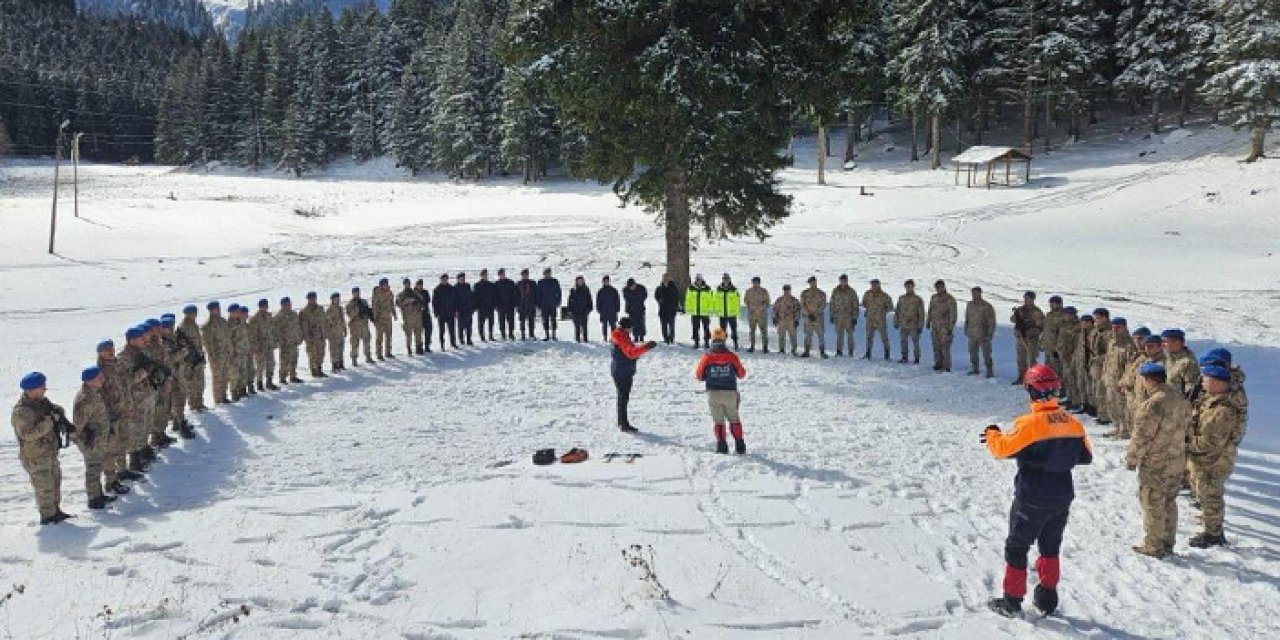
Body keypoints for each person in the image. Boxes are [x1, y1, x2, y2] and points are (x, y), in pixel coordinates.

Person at [982, 365, 1092, 617]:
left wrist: (991, 434)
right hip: (1061, 496)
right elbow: (1086, 457)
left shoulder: (1029, 423)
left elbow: (1002, 450)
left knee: (1017, 547)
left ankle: (1011, 601)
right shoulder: (1072, 423)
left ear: (1030, 390)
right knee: (1050, 547)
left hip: (1031, 496)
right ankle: (1047, 598)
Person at [1126, 362, 1191, 558]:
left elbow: (1142, 436)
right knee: (1169, 501)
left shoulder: (1153, 404)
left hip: (1156, 461)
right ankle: (1167, 542)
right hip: (1176, 459)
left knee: (1152, 502)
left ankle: (1153, 546)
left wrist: (1132, 458)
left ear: (1149, 380)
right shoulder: (1180, 399)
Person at [1186, 364, 1244, 548]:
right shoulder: (1210, 400)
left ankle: (1213, 534)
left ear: (1218, 383)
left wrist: (1185, 444)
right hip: (1204, 458)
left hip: (1215, 460)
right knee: (1204, 493)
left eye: (1206, 379)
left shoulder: (1223, 410)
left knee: (1211, 495)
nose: (1202, 382)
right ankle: (1210, 526)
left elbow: (1210, 443)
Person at [12, 372, 73, 524]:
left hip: (49, 452)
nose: (45, 390)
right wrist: (49, 422)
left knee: (55, 483)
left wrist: (58, 412)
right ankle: (48, 518)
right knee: (44, 488)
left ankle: (56, 511)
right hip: (35, 456)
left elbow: (54, 410)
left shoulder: (41, 402)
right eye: (42, 387)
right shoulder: (22, 411)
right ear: (31, 390)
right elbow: (28, 434)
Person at [694, 327, 748, 454]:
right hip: (730, 393)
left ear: (712, 340)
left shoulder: (706, 357)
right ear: (724, 339)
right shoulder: (731, 357)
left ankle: (722, 446)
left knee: (718, 421)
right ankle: (740, 445)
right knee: (734, 419)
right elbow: (741, 374)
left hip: (713, 393)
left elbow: (698, 376)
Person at [96, 339, 140, 489]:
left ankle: (122, 470)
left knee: (123, 442)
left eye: (111, 349)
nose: (110, 352)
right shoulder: (99, 371)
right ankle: (111, 480)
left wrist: (130, 407)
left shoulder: (118, 365)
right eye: (106, 350)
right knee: (111, 449)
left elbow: (127, 385)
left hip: (124, 410)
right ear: (100, 353)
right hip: (111, 414)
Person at [72, 366, 117, 510]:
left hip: (99, 440)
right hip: (91, 443)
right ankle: (93, 498)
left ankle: (99, 494)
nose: (102, 380)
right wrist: (84, 442)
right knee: (92, 470)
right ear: (91, 381)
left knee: (97, 467)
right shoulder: (85, 400)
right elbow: (76, 427)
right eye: (99, 378)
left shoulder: (94, 393)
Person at [119, 325, 161, 468]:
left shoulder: (142, 353)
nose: (144, 340)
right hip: (136, 398)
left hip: (147, 394)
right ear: (131, 340)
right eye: (140, 338)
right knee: (136, 428)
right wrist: (144, 372)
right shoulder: (124, 358)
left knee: (146, 424)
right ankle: (134, 458)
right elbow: (127, 381)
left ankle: (144, 449)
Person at [610, 317, 656, 433]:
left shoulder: (619, 335)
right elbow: (631, 353)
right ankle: (624, 424)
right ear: (626, 328)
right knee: (623, 398)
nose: (631, 330)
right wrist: (646, 347)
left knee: (622, 397)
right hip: (623, 371)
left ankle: (621, 421)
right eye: (630, 328)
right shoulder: (622, 337)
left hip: (620, 369)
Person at [177, 305, 208, 412]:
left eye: (195, 312)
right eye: (193, 313)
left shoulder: (194, 325)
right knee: (192, 383)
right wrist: (189, 359)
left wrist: (202, 355)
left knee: (200, 382)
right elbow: (182, 346)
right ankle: (193, 404)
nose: (195, 314)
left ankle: (199, 402)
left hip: (198, 357)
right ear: (188, 314)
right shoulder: (183, 328)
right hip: (190, 360)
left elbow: (198, 342)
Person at [1011, 292, 1046, 385]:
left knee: (1032, 359)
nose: (1026, 300)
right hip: (1020, 337)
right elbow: (1012, 319)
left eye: (1028, 298)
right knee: (1020, 359)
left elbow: (1041, 325)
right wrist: (1017, 316)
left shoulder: (1037, 311)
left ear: (1033, 299)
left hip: (1032, 339)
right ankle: (1022, 377)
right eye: (1025, 298)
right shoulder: (1020, 310)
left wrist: (1031, 328)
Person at [201, 301, 231, 404]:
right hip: (217, 356)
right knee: (218, 378)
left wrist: (230, 351)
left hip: (225, 354)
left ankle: (224, 396)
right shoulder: (208, 326)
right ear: (211, 310)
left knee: (225, 376)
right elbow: (209, 345)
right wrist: (213, 358)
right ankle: (218, 400)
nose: (218, 310)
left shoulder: (223, 321)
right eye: (216, 309)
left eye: (218, 308)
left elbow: (227, 338)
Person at [927, 280, 958, 372]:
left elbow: (953, 314)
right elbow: (930, 310)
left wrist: (950, 327)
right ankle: (938, 363)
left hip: (945, 327)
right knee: (936, 346)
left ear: (944, 287)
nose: (938, 289)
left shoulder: (950, 299)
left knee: (945, 346)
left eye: (940, 287)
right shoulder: (934, 297)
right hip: (935, 326)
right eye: (936, 287)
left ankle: (946, 366)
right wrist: (928, 321)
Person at [965, 287, 996, 377]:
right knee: (972, 352)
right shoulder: (970, 305)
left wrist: (990, 334)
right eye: (972, 293)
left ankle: (989, 371)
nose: (974, 295)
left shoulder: (987, 306)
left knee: (986, 353)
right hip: (972, 333)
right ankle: (975, 369)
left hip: (983, 333)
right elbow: (967, 318)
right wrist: (966, 329)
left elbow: (991, 321)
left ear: (980, 293)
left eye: (976, 293)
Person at [1087, 309, 1112, 423]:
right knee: (1096, 389)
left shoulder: (1109, 333)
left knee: (1102, 391)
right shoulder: (1096, 331)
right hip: (1095, 365)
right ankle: (1100, 412)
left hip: (1103, 366)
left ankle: (1105, 416)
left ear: (1104, 318)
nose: (1095, 321)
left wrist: (1099, 358)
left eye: (1097, 318)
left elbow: (1110, 353)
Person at [250, 299, 279, 391]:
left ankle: (269, 382)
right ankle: (259, 383)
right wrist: (256, 347)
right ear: (259, 307)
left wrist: (275, 341)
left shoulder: (269, 317)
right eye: (262, 306)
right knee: (260, 365)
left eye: (265, 306)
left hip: (269, 345)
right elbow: (253, 335)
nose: (264, 308)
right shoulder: (254, 319)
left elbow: (273, 330)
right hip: (260, 347)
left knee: (271, 364)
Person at [894, 280, 925, 364]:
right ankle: (904, 357)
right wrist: (896, 322)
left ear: (913, 287)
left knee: (915, 342)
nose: (908, 288)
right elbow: (897, 311)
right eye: (907, 286)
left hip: (913, 324)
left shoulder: (918, 299)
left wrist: (920, 326)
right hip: (903, 324)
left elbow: (921, 314)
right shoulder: (901, 298)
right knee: (903, 341)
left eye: (910, 286)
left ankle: (917, 358)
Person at [1055, 307, 1080, 408]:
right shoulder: (1063, 324)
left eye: (1066, 314)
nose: (1064, 316)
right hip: (1064, 356)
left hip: (1071, 356)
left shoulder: (1077, 326)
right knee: (1067, 379)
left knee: (1073, 380)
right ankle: (1069, 398)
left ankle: (1076, 401)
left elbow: (1076, 343)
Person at [275, 297, 304, 384]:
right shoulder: (279, 317)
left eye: (289, 304)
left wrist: (299, 336)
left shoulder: (294, 314)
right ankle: (282, 377)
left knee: (294, 359)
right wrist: (279, 341)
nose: (288, 306)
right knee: (284, 361)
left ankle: (293, 376)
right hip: (285, 343)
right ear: (282, 305)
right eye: (286, 305)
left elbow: (297, 326)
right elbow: (276, 331)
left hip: (294, 341)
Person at [862, 279, 893, 360]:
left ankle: (887, 354)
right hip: (870, 319)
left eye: (875, 285)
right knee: (869, 337)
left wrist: (882, 311)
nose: (874, 286)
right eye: (872, 285)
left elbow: (890, 307)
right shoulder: (867, 294)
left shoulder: (884, 296)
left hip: (880, 320)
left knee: (884, 338)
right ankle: (868, 353)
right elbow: (864, 303)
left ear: (879, 285)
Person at [228, 305, 254, 400]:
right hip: (235, 353)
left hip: (243, 352)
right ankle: (234, 393)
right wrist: (231, 352)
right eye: (237, 311)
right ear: (232, 312)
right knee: (234, 374)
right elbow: (229, 340)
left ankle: (242, 390)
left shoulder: (240, 323)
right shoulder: (229, 325)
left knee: (243, 372)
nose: (239, 313)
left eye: (239, 311)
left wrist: (248, 349)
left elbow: (245, 338)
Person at [299, 292, 328, 377]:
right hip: (311, 337)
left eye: (314, 298)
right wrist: (307, 338)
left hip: (320, 335)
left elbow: (324, 321)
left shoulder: (320, 309)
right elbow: (303, 326)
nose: (313, 300)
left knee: (321, 353)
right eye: (311, 299)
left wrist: (324, 333)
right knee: (312, 354)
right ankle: (313, 370)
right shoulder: (304, 312)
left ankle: (319, 369)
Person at [1162, 329, 1198, 397]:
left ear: (1177, 342)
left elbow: (1191, 390)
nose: (1162, 344)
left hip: (1178, 404)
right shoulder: (1168, 358)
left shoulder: (1188, 363)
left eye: (1165, 341)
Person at [829, 275, 858, 357]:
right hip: (838, 317)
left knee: (850, 335)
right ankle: (839, 351)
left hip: (849, 317)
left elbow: (855, 305)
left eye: (845, 280)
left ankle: (851, 351)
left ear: (847, 281)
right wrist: (831, 315)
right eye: (842, 280)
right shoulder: (835, 291)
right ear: (839, 281)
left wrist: (855, 317)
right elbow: (832, 304)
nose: (843, 282)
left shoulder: (852, 292)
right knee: (839, 335)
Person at [800, 276, 828, 358]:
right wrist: (808, 314)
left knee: (821, 335)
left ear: (816, 282)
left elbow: (823, 305)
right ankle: (807, 351)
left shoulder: (821, 293)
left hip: (818, 318)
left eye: (813, 282)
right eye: (810, 282)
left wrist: (816, 314)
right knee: (808, 335)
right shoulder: (804, 293)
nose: (812, 284)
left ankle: (822, 352)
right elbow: (802, 305)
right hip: (808, 318)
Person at [347, 287, 376, 365]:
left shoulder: (363, 301)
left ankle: (368, 357)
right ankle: (354, 359)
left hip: (364, 325)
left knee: (367, 341)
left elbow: (368, 312)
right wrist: (357, 309)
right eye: (355, 292)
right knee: (354, 343)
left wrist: (371, 316)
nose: (357, 294)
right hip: (355, 327)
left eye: (358, 292)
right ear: (353, 294)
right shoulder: (350, 304)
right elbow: (350, 315)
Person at [684, 274, 714, 348]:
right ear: (695, 280)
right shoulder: (691, 288)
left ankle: (706, 342)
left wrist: (710, 310)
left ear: (702, 280)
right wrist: (688, 308)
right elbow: (688, 300)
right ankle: (696, 342)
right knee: (695, 328)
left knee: (706, 327)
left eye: (700, 279)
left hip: (705, 312)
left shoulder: (707, 288)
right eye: (697, 279)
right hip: (695, 312)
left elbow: (711, 300)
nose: (698, 281)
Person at [396, 279, 425, 355]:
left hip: (417, 316)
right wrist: (406, 302)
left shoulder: (415, 293)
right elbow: (398, 303)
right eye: (406, 284)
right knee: (408, 334)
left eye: (408, 284)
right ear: (404, 285)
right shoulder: (401, 294)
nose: (407, 285)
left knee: (418, 333)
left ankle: (419, 347)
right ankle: (409, 348)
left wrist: (417, 302)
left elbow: (422, 301)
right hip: (407, 317)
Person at [1041, 296, 1068, 377]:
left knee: (1058, 368)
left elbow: (1063, 334)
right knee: (1048, 367)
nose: (1052, 305)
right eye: (1051, 303)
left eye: (1054, 304)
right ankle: (1050, 385)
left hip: (1057, 348)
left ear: (1059, 304)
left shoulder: (1064, 316)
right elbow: (1045, 330)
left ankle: (1060, 385)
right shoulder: (1049, 315)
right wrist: (1042, 342)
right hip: (1048, 347)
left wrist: (1058, 348)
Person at [743, 276, 771, 353]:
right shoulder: (748, 291)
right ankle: (752, 346)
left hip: (761, 315)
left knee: (764, 331)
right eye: (754, 282)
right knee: (752, 331)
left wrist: (761, 307)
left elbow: (767, 302)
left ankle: (765, 347)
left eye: (757, 282)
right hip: (752, 314)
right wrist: (750, 306)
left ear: (759, 283)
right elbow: (745, 300)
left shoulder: (764, 291)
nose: (755, 284)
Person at [372, 278, 398, 359]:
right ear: (381, 285)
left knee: (388, 336)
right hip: (380, 319)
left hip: (388, 317)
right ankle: (379, 354)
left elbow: (392, 304)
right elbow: (374, 306)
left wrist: (394, 314)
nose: (386, 286)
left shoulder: (390, 293)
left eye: (387, 284)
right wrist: (375, 317)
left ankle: (388, 352)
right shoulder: (377, 294)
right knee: (379, 337)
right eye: (384, 284)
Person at [714, 274, 740, 350]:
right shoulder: (719, 289)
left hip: (732, 313)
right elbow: (715, 301)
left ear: (729, 279)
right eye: (724, 279)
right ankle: (723, 344)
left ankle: (735, 343)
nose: (725, 280)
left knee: (734, 329)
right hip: (722, 313)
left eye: (727, 279)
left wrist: (736, 311)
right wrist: (716, 310)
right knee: (723, 330)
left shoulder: (734, 289)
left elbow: (737, 301)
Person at [432, 275, 458, 350]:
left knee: (452, 330)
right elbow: (434, 303)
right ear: (441, 280)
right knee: (442, 330)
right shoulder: (437, 289)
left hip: (450, 312)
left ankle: (453, 343)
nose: (444, 280)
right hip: (441, 314)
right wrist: (436, 313)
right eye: (443, 279)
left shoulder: (451, 288)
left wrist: (455, 310)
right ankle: (442, 345)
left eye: (446, 279)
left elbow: (455, 300)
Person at [773, 285, 800, 355]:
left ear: (790, 290)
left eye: (787, 290)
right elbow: (775, 309)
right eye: (785, 290)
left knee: (792, 336)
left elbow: (797, 310)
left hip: (791, 321)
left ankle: (794, 350)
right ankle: (781, 350)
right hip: (781, 321)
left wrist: (797, 320)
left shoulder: (794, 300)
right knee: (781, 336)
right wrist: (775, 318)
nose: (786, 291)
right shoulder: (779, 300)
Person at [655, 274, 681, 345]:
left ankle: (671, 338)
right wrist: (659, 300)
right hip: (663, 310)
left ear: (669, 279)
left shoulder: (673, 287)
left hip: (671, 310)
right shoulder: (659, 288)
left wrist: (675, 306)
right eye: (664, 278)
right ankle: (665, 339)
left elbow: (677, 297)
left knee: (671, 326)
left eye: (666, 278)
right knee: (664, 326)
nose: (665, 280)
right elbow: (656, 296)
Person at [537, 268, 562, 341]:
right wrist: (538, 304)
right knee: (545, 320)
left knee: (553, 319)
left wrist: (558, 301)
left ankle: (554, 335)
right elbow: (538, 294)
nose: (548, 274)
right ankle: (547, 335)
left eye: (549, 273)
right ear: (544, 274)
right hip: (544, 304)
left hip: (552, 304)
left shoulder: (555, 281)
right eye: (546, 273)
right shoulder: (541, 282)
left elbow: (559, 292)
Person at [325, 292, 348, 371]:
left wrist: (345, 329)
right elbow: (327, 323)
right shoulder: (329, 310)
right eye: (336, 299)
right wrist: (328, 333)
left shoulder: (340, 308)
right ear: (332, 300)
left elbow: (343, 320)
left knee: (341, 348)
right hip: (333, 333)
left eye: (338, 299)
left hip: (340, 331)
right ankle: (334, 364)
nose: (338, 300)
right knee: (334, 349)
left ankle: (340, 363)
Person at [568, 276, 594, 343]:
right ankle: (577, 339)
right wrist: (570, 310)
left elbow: (589, 300)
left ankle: (585, 339)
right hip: (575, 311)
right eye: (579, 281)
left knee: (584, 326)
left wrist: (589, 309)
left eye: (581, 281)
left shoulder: (586, 289)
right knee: (577, 326)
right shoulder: (573, 290)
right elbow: (570, 301)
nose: (580, 282)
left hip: (584, 310)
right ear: (576, 282)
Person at [474, 269, 497, 342]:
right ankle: (482, 336)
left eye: (486, 275)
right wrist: (476, 306)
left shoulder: (491, 284)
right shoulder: (477, 285)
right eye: (483, 275)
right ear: (481, 276)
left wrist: (494, 305)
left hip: (490, 306)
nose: (485, 276)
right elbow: (475, 297)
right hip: (481, 307)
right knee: (481, 323)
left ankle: (491, 335)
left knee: (491, 322)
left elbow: (494, 296)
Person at [495, 269, 517, 341]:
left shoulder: (510, 282)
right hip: (501, 306)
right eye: (501, 274)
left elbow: (514, 294)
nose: (502, 275)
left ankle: (511, 333)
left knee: (511, 321)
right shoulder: (496, 284)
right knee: (501, 321)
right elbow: (495, 296)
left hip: (510, 305)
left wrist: (514, 303)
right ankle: (503, 334)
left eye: (503, 274)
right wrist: (496, 305)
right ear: (499, 275)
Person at [515, 269, 538, 340]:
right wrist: (517, 304)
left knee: (531, 320)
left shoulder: (533, 283)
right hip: (522, 305)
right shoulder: (518, 284)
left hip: (531, 304)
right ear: (521, 275)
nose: (525, 276)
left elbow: (536, 294)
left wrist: (536, 303)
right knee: (522, 320)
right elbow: (516, 295)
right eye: (523, 275)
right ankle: (523, 334)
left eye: (526, 274)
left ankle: (531, 333)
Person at [413, 279, 434, 351]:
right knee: (418, 332)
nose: (420, 286)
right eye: (418, 285)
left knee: (428, 330)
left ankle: (427, 346)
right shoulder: (413, 293)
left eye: (421, 285)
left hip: (426, 314)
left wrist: (422, 300)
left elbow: (427, 300)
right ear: (416, 285)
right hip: (417, 315)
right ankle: (419, 347)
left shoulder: (425, 292)